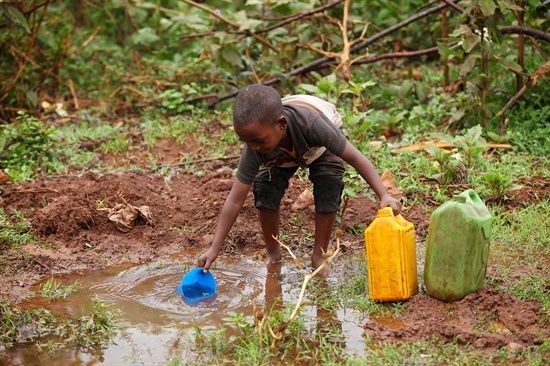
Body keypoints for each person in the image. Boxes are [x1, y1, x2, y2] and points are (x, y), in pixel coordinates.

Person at [197, 84, 401, 276]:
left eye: (257, 141)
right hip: (279, 151)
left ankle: (319, 256)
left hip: (318, 146)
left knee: (329, 183)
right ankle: (274, 254)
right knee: (265, 189)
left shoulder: (313, 124)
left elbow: (356, 158)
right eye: (246, 142)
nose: (253, 147)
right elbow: (235, 199)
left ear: (282, 124)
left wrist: (384, 195)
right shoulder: (256, 144)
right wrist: (214, 248)